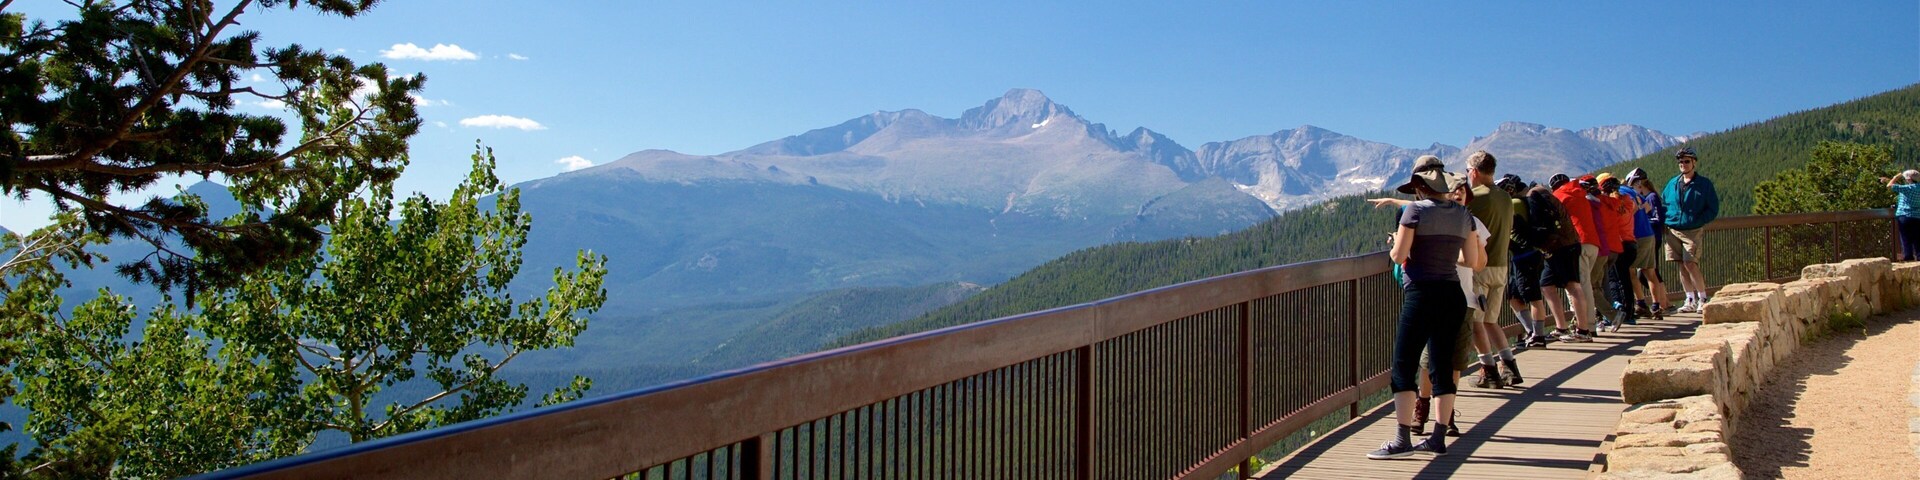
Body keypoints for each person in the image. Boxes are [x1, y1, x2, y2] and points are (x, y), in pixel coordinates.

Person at [1367, 156, 1483, 460]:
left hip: (1421, 293)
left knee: (1403, 366)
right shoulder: (1463, 214)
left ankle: (1402, 439)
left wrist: (1396, 242)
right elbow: (1470, 260)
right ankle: (1438, 437)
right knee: (1443, 366)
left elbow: (1398, 255)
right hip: (1452, 295)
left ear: (1419, 186)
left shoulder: (1414, 212)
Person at [1463, 152, 1522, 388]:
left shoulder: (1475, 197)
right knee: (1491, 320)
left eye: (1468, 171)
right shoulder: (1505, 197)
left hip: (1481, 266)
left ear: (1474, 172)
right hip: (1501, 266)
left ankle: (1488, 370)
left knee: (1476, 321)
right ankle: (1509, 365)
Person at [1498, 175, 1554, 348]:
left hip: (1525, 255)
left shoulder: (1513, 204)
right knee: (1514, 296)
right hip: (1524, 255)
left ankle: (1538, 336)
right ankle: (1531, 332)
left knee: (1533, 296)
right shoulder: (1520, 202)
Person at [1664, 147, 1720, 313]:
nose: (1683, 164)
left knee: (1691, 263)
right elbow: (1664, 203)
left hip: (1692, 230)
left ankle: (1703, 298)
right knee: (1681, 264)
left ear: (1694, 163)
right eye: (1680, 161)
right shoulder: (1672, 184)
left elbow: (1713, 208)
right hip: (1673, 229)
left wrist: (1698, 221)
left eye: (1686, 161)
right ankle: (1689, 298)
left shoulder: (1704, 184)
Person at [1550, 174, 1599, 340]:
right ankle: (1585, 324)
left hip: (1577, 243)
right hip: (1593, 242)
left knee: (1578, 286)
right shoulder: (1580, 194)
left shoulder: (1560, 196)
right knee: (1585, 285)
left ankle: (1586, 327)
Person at [1597, 173, 1639, 328]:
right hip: (1631, 243)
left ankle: (1616, 310)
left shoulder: (1609, 204)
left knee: (1612, 279)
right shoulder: (1627, 200)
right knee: (1625, 279)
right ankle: (1629, 313)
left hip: (1617, 244)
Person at [1625, 169, 1668, 319]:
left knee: (1631, 271)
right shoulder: (1638, 195)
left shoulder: (1623, 194)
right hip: (1649, 234)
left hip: (1636, 236)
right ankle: (1656, 306)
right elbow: (1647, 208)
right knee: (1649, 271)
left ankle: (1641, 303)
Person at [1882, 169, 1920, 261]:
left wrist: (1895, 177)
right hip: (1917, 216)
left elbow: (1890, 186)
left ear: (1909, 179)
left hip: (1904, 216)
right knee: (1917, 238)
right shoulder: (1916, 187)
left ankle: (1908, 257)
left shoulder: (1907, 189)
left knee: (1906, 238)